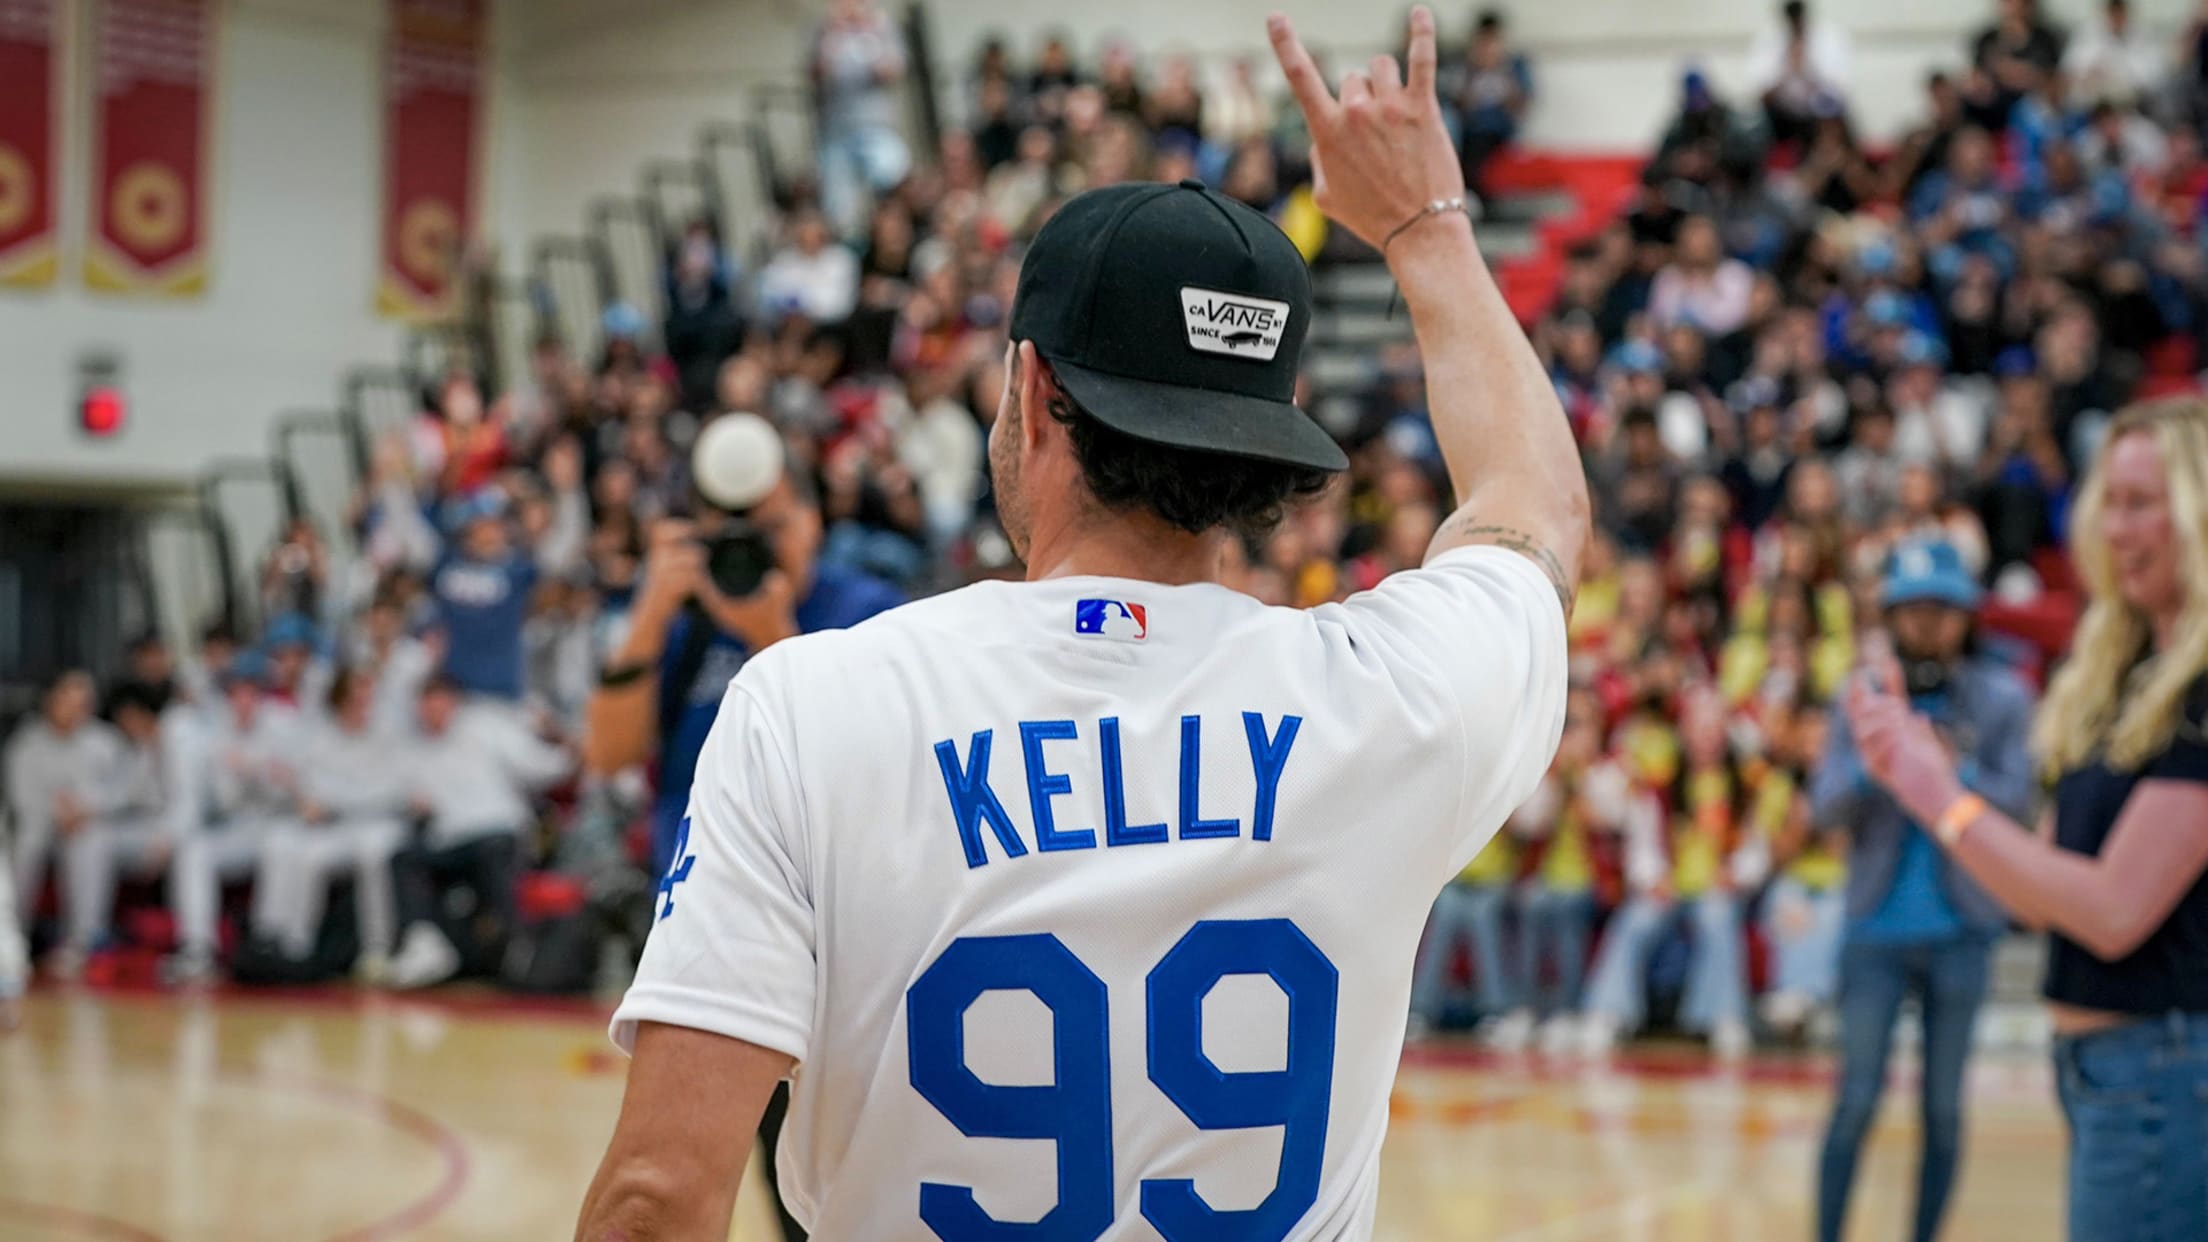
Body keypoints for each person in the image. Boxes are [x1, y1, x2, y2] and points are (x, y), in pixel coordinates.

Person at [575, 9, 1588, 1238]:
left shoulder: (812, 707)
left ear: (1031, 394)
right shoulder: (1396, 702)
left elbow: (654, 1201)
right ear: (1267, 446)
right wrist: (1426, 228)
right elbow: (1531, 507)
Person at [1846, 400, 2208, 1242]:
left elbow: (2116, 911)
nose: (2117, 529)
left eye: (2143, 503)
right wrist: (1911, 776)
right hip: (2104, 1070)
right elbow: (2044, 896)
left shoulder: (2198, 691)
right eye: (2108, 503)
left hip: (2167, 1067)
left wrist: (1942, 793)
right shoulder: (2121, 677)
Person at [1811, 536, 2036, 1242]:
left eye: (1942, 609)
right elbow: (1822, 808)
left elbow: (2020, 803)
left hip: (1962, 929)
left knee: (1942, 1109)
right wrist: (1873, 771)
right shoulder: (1862, 695)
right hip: (1873, 930)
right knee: (1854, 1101)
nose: (1927, 625)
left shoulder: (2002, 698)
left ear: (1966, 616)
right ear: (1891, 616)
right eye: (1912, 610)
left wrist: (1946, 775)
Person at [384, 676, 572, 989]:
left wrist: (569, 750)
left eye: (439, 701)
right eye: (426, 703)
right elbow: (403, 795)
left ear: (453, 701)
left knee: (495, 853)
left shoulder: (487, 728)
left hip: (497, 831)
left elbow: (539, 767)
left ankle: (519, 949)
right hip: (449, 840)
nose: (432, 711)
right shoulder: (414, 749)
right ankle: (425, 942)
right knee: (402, 857)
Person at [250, 669, 412, 976]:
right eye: (355, 697)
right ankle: (294, 945)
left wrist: (335, 801)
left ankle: (378, 948)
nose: (362, 704)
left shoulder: (389, 731)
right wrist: (306, 796)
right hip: (338, 826)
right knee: (305, 855)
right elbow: (309, 784)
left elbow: (396, 789)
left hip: (382, 823)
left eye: (367, 696)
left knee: (373, 853)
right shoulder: (322, 735)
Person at [5, 672, 126, 971]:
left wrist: (88, 808)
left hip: (88, 823)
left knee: (91, 841)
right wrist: (58, 814)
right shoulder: (26, 742)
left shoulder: (105, 740)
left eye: (82, 703)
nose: (76, 709)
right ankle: (13, 938)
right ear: (51, 701)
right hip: (39, 824)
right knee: (26, 844)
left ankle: (83, 941)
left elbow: (124, 791)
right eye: (68, 701)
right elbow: (21, 798)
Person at [811, 0, 911, 239]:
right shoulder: (823, 28)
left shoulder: (881, 26)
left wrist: (868, 35)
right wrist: (834, 34)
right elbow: (816, 74)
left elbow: (892, 71)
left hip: (876, 126)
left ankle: (892, 230)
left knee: (892, 174)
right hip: (837, 132)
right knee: (841, 211)